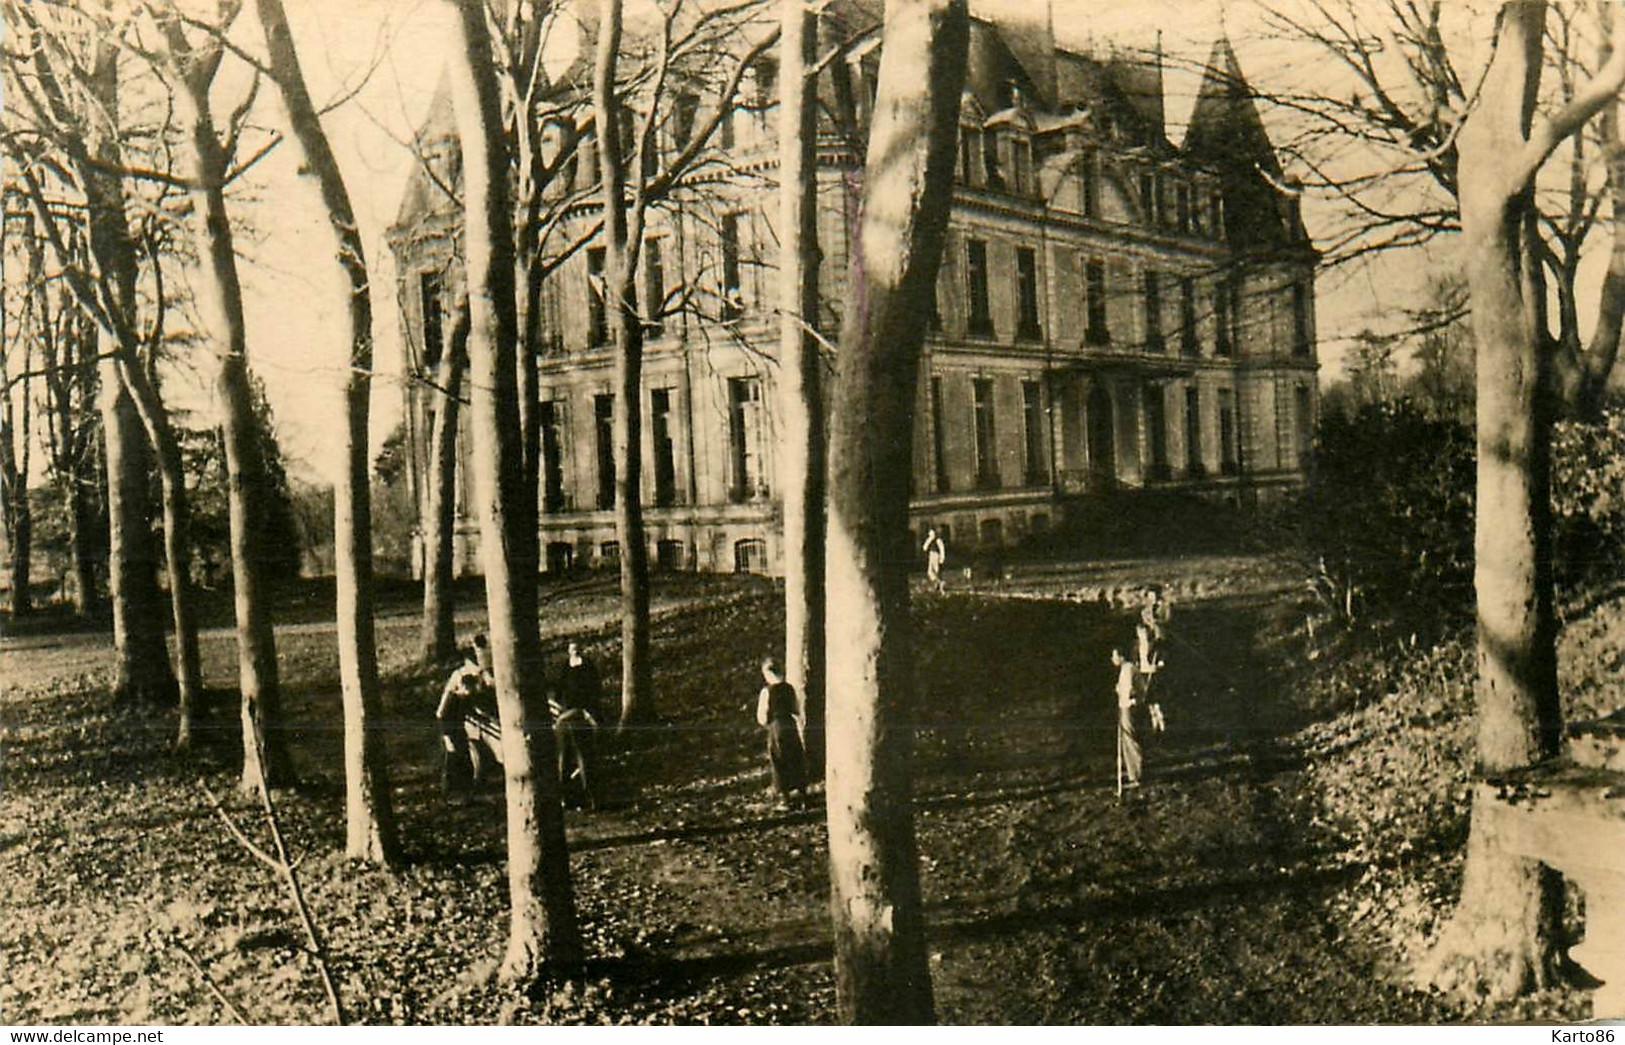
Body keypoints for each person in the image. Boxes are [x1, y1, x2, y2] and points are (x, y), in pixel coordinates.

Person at [436, 637, 492, 798]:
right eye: (469, 689)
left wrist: (481, 718)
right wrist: (446, 737)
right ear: (462, 686)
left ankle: (465, 792)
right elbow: (441, 715)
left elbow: (470, 711)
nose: (470, 693)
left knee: (464, 759)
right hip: (449, 730)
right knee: (451, 760)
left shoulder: (465, 697)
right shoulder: (452, 697)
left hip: (459, 730)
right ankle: (449, 792)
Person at [756, 657, 809, 809]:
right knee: (795, 757)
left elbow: (762, 715)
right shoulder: (789, 688)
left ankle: (785, 799)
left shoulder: (767, 691)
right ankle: (802, 794)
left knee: (779, 760)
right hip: (790, 725)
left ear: (768, 673)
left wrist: (766, 722)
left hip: (776, 727)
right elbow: (797, 708)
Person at [1112, 648, 1142, 792]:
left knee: (1130, 739)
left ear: (1121, 656)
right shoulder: (1126, 669)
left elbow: (1132, 690)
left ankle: (1135, 775)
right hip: (1125, 706)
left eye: (1114, 655)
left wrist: (1126, 695)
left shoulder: (1128, 669)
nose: (1113, 659)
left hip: (1128, 708)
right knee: (1127, 738)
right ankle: (1133, 772)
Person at [922, 527, 947, 594]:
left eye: (932, 534)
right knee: (930, 572)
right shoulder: (929, 540)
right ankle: (939, 583)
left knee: (936, 571)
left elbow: (942, 549)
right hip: (931, 555)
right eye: (930, 534)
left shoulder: (938, 540)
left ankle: (939, 586)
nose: (931, 535)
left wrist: (942, 558)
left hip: (936, 555)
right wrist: (928, 540)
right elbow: (924, 548)